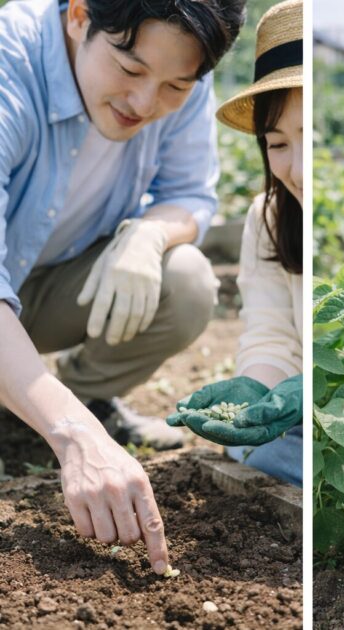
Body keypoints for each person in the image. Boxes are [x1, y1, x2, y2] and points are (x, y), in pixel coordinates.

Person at [0, 0, 245, 576]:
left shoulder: (182, 72)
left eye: (175, 86)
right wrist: (73, 436)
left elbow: (190, 194)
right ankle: (55, 413)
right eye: (131, 69)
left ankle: (65, 402)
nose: (145, 103)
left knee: (184, 279)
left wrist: (148, 236)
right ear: (79, 16)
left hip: (42, 288)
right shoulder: (10, 66)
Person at [167, 0, 302, 488]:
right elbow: (273, 333)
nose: (297, 170)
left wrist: (316, 389)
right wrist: (259, 386)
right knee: (247, 442)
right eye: (278, 144)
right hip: (306, 420)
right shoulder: (269, 216)